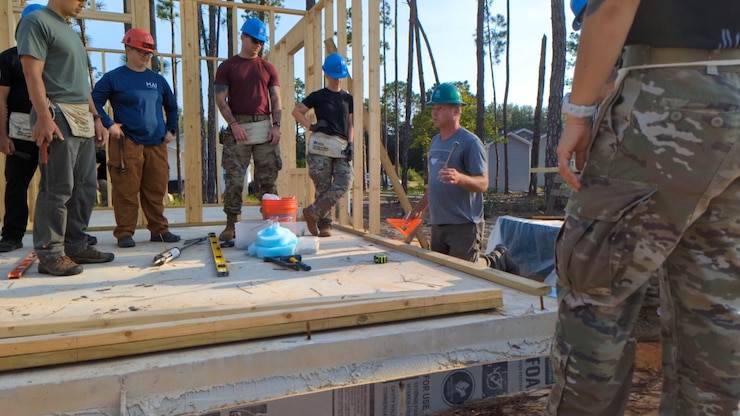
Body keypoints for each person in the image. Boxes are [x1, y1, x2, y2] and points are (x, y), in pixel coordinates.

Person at [547, 1, 740, 415]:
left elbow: (615, 4)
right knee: (716, 310)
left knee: (594, 292)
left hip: (670, 93)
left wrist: (578, 114)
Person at [17, 0, 114, 276]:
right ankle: (50, 254)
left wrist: (96, 117)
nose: (84, 1)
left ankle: (75, 245)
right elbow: (31, 72)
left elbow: (82, 84)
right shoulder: (36, 21)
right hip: (56, 113)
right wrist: (43, 116)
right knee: (58, 187)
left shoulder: (69, 30)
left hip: (80, 116)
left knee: (84, 186)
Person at [92, 28, 180, 248]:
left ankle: (159, 230)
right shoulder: (114, 78)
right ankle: (124, 234)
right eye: (141, 51)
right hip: (127, 143)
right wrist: (108, 124)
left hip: (157, 143)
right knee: (126, 190)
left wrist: (171, 130)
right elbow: (93, 101)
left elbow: (171, 107)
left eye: (149, 53)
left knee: (156, 189)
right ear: (128, 48)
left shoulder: (157, 80)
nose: (145, 56)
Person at [214, 17, 282, 242]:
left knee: (268, 179)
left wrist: (276, 126)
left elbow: (276, 100)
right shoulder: (227, 67)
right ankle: (231, 224)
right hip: (239, 127)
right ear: (243, 37)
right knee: (234, 178)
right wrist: (233, 125)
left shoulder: (267, 68)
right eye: (254, 40)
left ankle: (270, 224)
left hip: (264, 127)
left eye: (261, 42)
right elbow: (220, 99)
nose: (258, 45)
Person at [407, 83, 488, 262]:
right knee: (439, 274)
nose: (434, 113)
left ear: (456, 111)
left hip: (463, 226)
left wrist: (459, 178)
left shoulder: (471, 143)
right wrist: (418, 210)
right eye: (433, 108)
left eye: (440, 108)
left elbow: (483, 184)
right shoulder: (435, 142)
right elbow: (434, 184)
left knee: (464, 278)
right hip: (438, 225)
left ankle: (497, 259)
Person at [291, 53, 354, 237]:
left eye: (340, 76)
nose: (337, 80)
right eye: (334, 76)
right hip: (321, 146)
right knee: (323, 186)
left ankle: (313, 213)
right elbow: (297, 111)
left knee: (345, 181)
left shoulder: (348, 99)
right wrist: (311, 126)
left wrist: (351, 143)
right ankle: (325, 224)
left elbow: (351, 124)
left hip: (341, 145)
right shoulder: (318, 96)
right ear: (326, 74)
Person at [0, 4, 45, 253]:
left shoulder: (54, 58)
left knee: (60, 186)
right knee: (16, 183)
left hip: (53, 131)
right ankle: (12, 235)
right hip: (20, 135)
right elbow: (0, 99)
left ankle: (65, 234)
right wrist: (2, 135)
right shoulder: (8, 58)